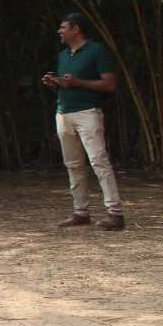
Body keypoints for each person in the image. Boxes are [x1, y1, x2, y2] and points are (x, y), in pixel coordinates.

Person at [42, 13, 124, 230]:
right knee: (73, 164)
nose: (60, 31)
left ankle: (115, 213)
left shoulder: (96, 50)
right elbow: (69, 83)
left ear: (76, 29)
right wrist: (56, 83)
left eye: (63, 27)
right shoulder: (64, 54)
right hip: (64, 112)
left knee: (99, 161)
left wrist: (78, 82)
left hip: (88, 112)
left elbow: (109, 84)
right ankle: (81, 212)